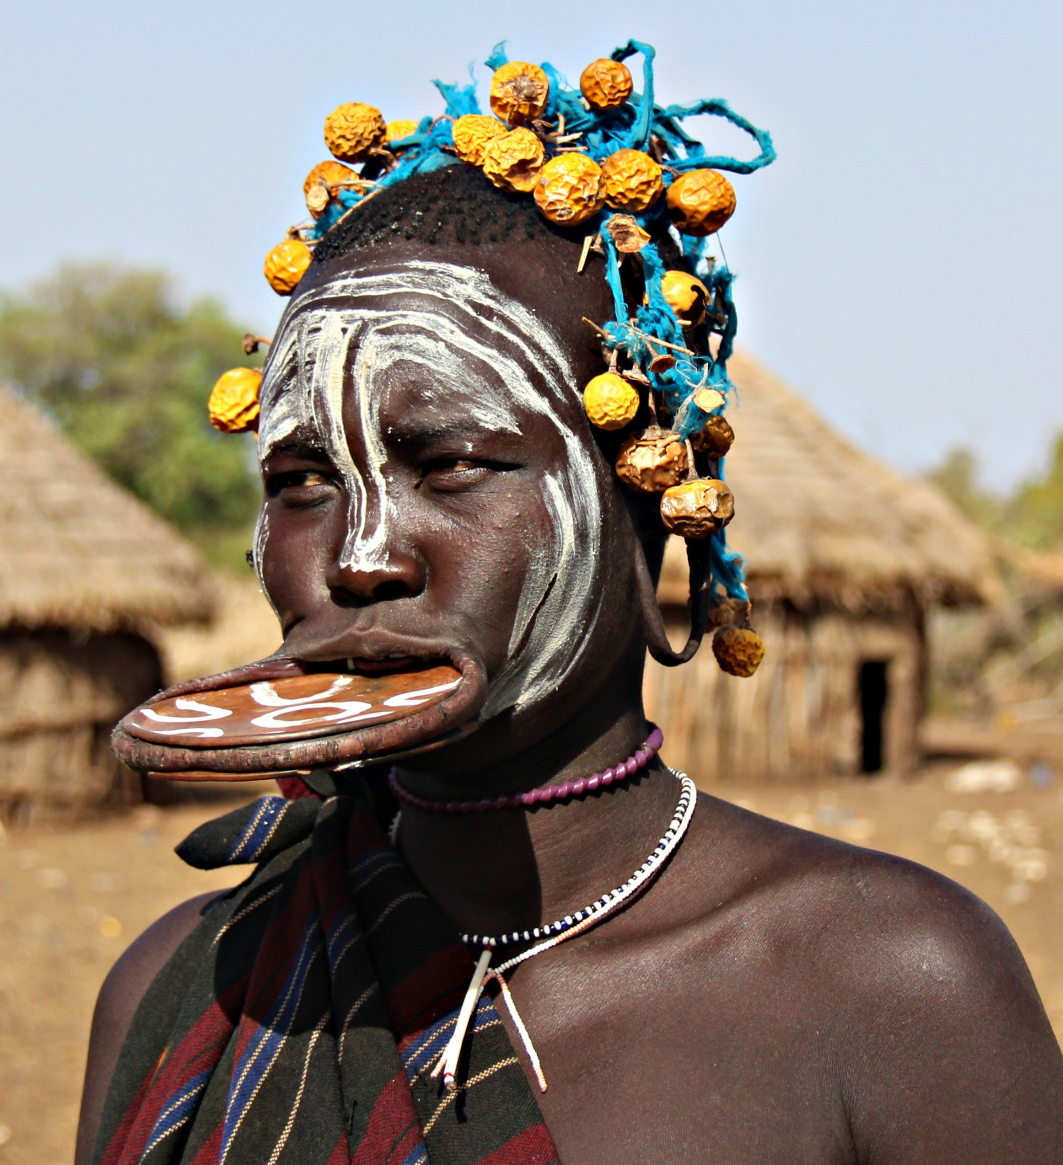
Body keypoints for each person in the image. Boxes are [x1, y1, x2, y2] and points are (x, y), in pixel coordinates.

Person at [77, 42, 1063, 1164]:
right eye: (302, 482)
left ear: (644, 529)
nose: (356, 557)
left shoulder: (888, 986)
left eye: (447, 463)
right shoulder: (182, 991)